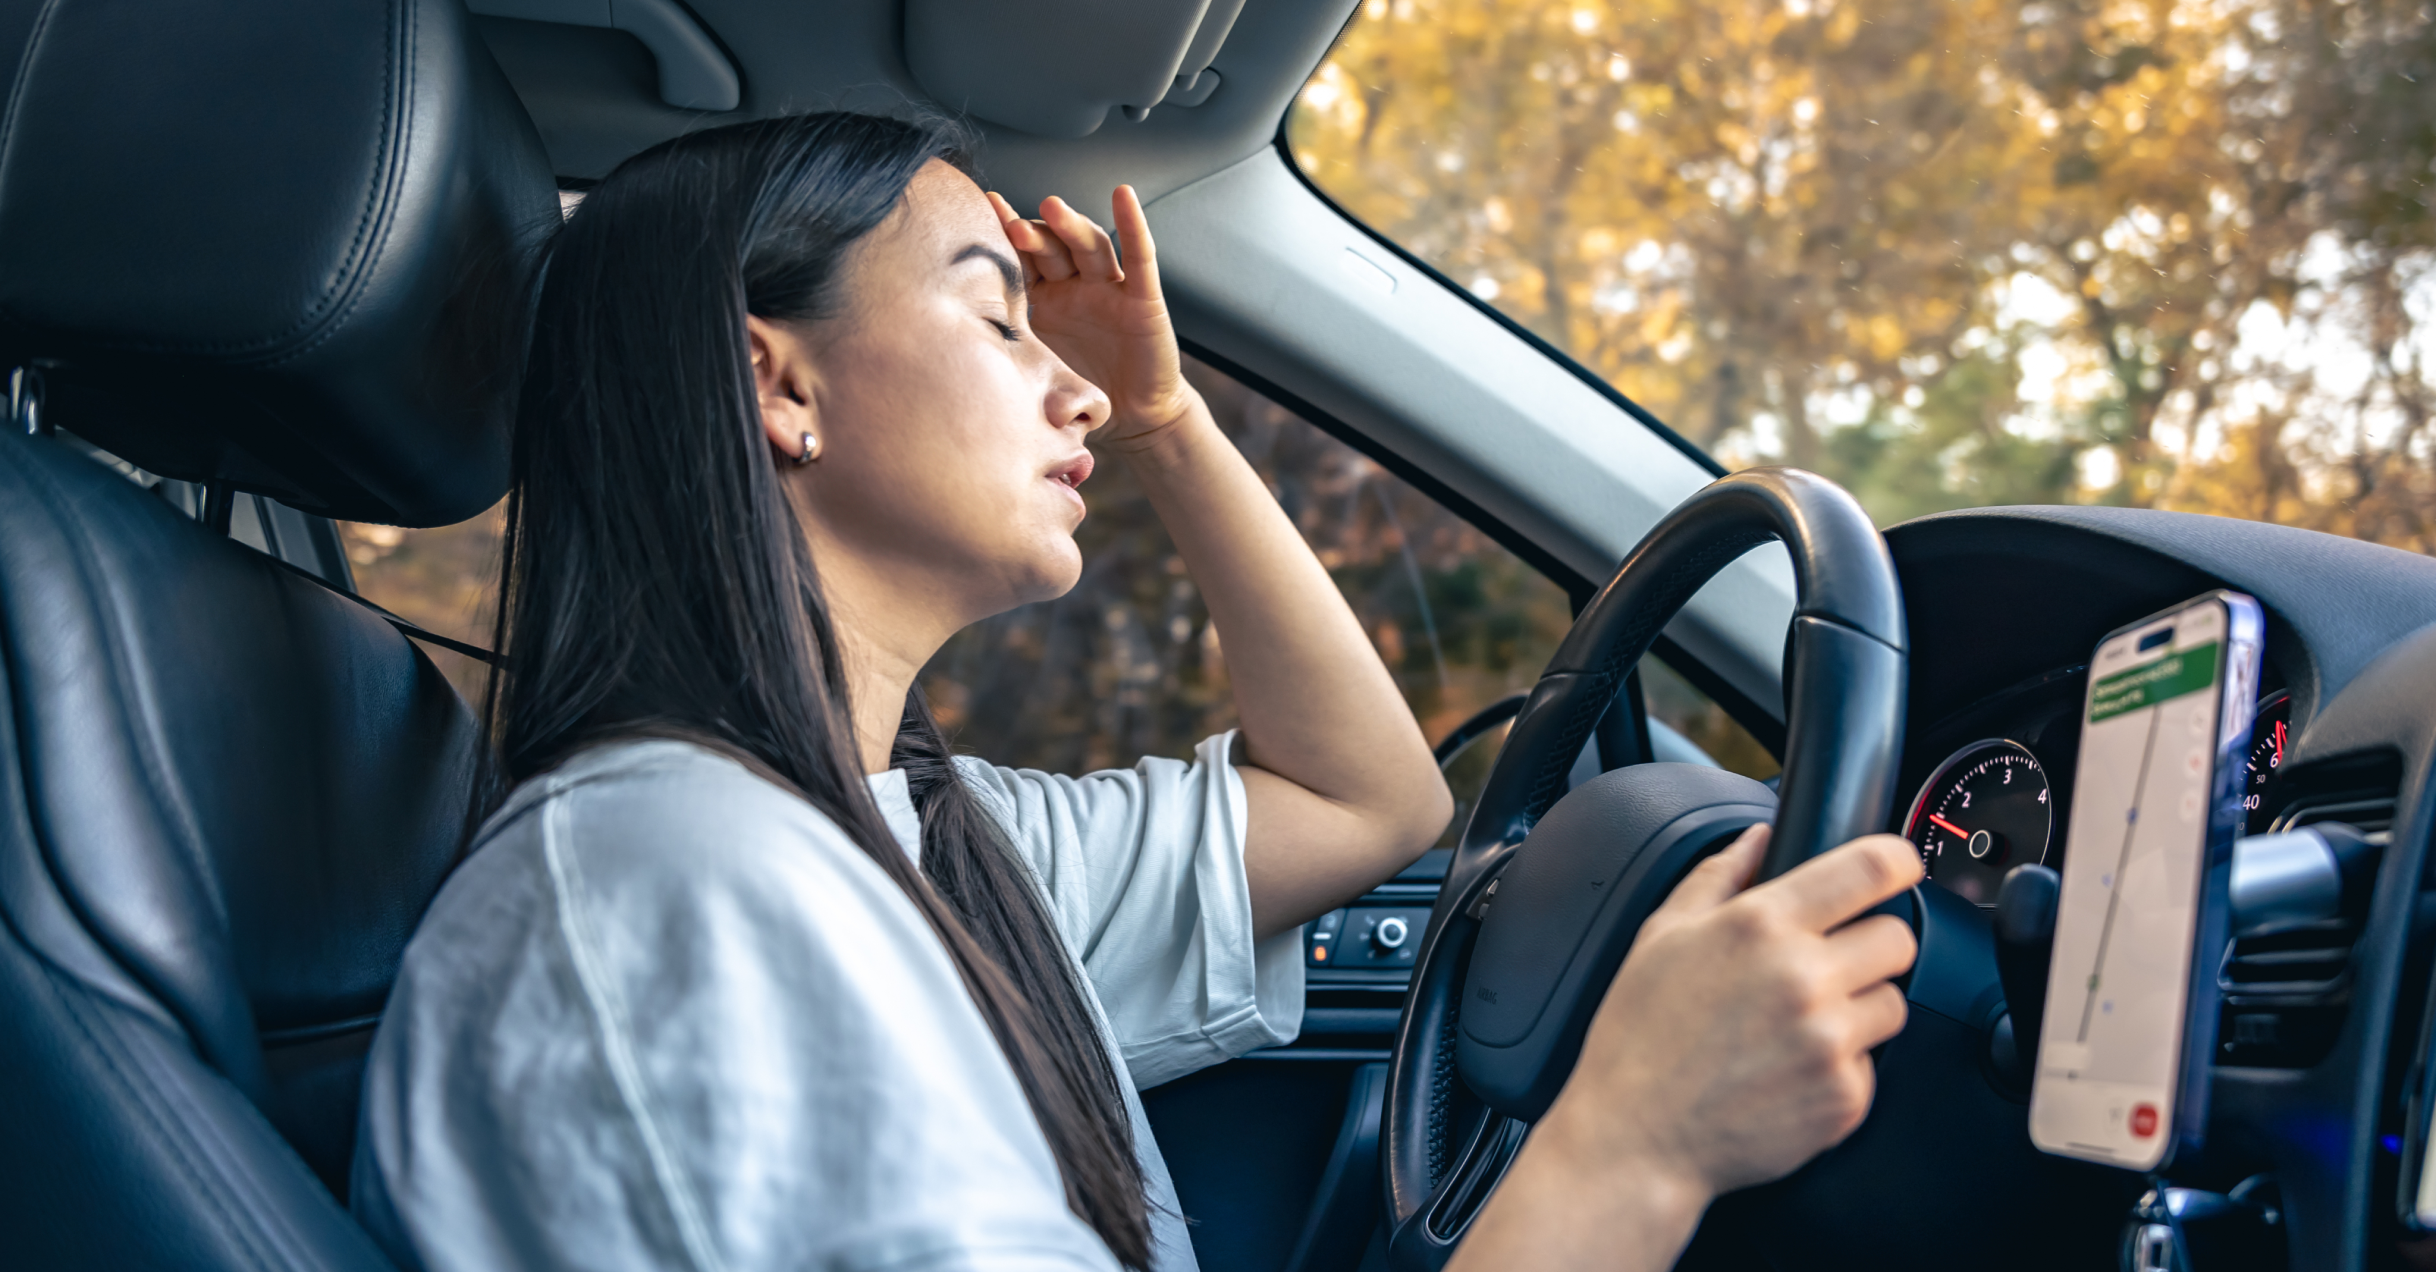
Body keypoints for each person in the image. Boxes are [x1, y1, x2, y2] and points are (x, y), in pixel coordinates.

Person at [350, 110, 1923, 1272]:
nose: (1078, 383)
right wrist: (1637, 1142)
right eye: (993, 311)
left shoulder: (916, 839)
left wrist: (1168, 423)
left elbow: (1367, 800)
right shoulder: (679, 889)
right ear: (778, 381)